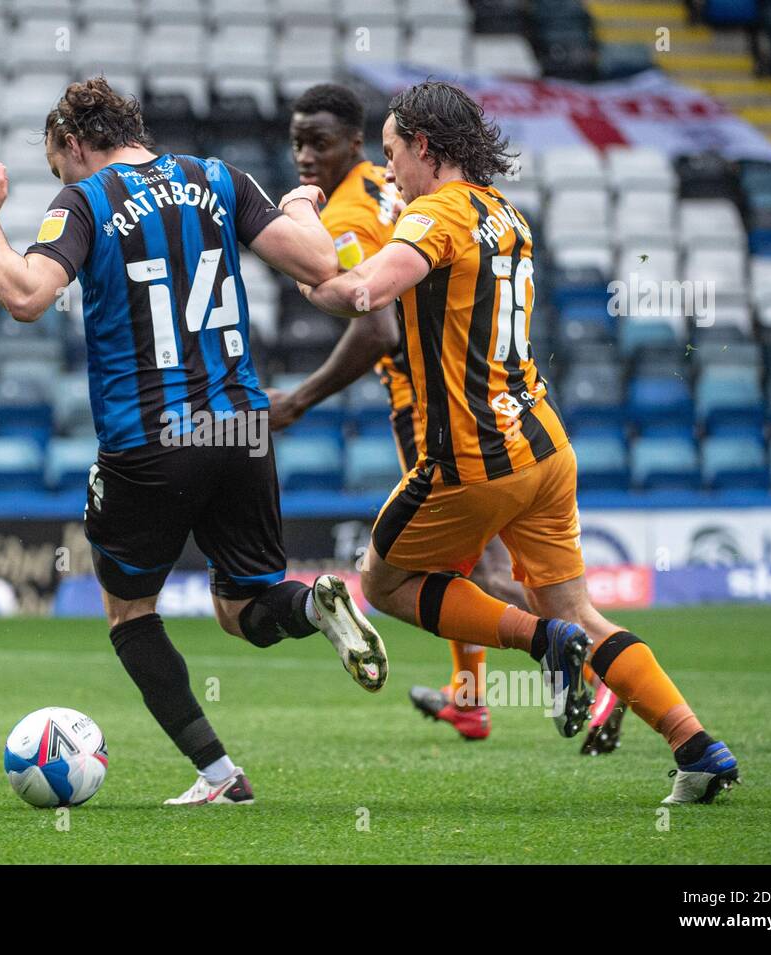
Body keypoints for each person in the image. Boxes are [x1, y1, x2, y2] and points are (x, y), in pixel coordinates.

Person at [299, 79, 740, 804]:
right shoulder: (508, 214)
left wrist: (293, 237)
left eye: (392, 155)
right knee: (580, 611)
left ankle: (540, 646)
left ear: (424, 148)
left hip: (474, 458)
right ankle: (698, 745)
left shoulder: (433, 214)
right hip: (544, 446)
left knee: (383, 582)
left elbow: (360, 294)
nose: (389, 175)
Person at [0, 77, 388, 807]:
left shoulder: (86, 201)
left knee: (131, 612)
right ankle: (316, 608)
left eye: (57, 163)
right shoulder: (216, 178)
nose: (60, 178)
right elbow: (324, 268)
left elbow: (27, 296)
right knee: (244, 607)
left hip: (151, 439)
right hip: (240, 427)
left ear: (73, 144)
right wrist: (296, 203)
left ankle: (220, 774)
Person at [273, 83, 624, 746]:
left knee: (472, 571)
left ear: (359, 146)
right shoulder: (386, 183)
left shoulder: (350, 211)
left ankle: (596, 667)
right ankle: (471, 695)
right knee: (462, 567)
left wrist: (296, 398)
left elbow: (373, 320)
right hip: (483, 407)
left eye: (318, 142)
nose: (304, 155)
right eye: (296, 142)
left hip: (436, 406)